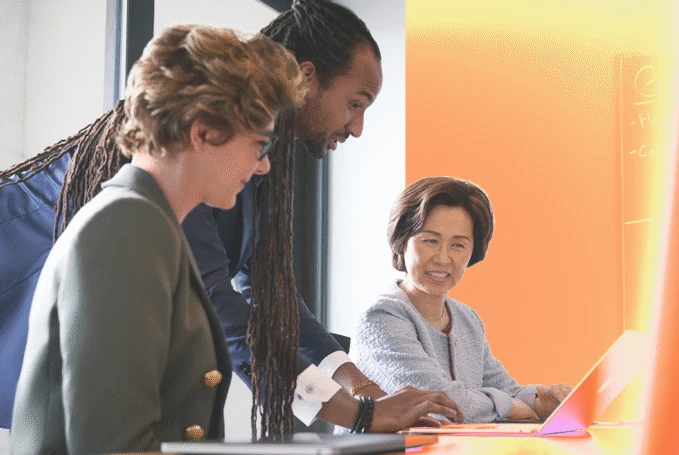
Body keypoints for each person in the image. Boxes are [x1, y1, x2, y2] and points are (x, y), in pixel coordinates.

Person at [0, 0, 462, 438]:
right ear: (203, 134)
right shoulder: (137, 214)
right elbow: (221, 310)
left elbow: (269, 295)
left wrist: (360, 390)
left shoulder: (226, 172)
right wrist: (358, 412)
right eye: (355, 103)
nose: (358, 127)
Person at [10, 24, 307, 454]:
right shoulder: (126, 226)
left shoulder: (147, 222)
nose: (262, 168)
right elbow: (115, 446)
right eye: (259, 145)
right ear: (203, 132)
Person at [354, 177, 574, 423]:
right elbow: (439, 403)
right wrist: (506, 404)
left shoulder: (467, 319)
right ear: (401, 242)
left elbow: (503, 388)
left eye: (458, 245)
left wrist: (540, 402)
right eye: (430, 241)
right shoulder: (381, 317)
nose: (443, 258)